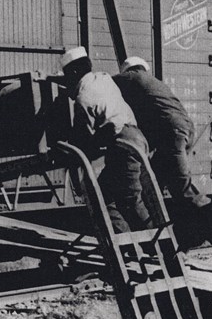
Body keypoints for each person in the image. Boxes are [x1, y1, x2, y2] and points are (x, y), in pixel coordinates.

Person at [61, 46, 151, 233]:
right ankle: (130, 247)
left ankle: (166, 250)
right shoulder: (103, 78)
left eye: (67, 74)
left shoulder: (82, 99)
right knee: (106, 195)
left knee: (129, 200)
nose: (66, 79)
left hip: (124, 145)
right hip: (137, 138)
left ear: (74, 72)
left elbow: (85, 144)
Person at [112, 56, 211, 210]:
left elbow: (106, 83)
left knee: (182, 189)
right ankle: (161, 224)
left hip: (173, 134)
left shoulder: (134, 76)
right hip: (184, 131)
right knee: (153, 183)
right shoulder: (154, 85)